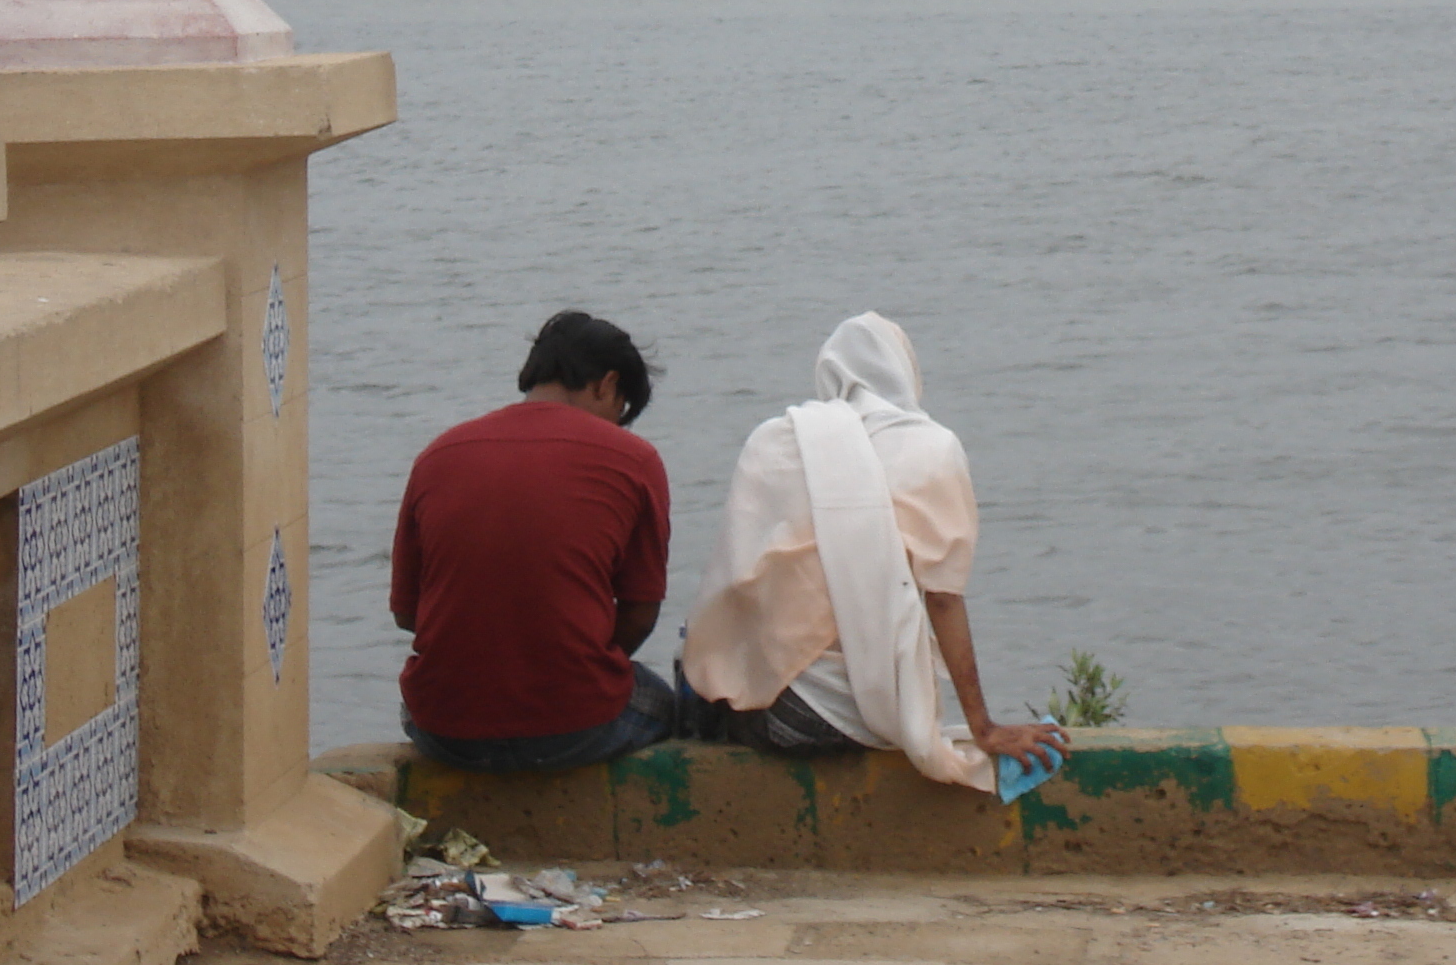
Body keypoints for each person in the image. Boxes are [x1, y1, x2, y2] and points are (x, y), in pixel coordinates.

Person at [680, 311, 1067, 789]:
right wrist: (982, 727)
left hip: (755, 716)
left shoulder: (778, 439)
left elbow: (731, 582)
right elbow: (942, 598)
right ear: (905, 370)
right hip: (852, 722)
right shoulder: (933, 450)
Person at [390, 310, 675, 770]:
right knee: (669, 703)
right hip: (575, 728)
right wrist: (574, 671)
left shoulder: (438, 455)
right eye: (619, 412)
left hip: (445, 729)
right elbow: (640, 614)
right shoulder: (634, 460)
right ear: (606, 384)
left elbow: (408, 614)